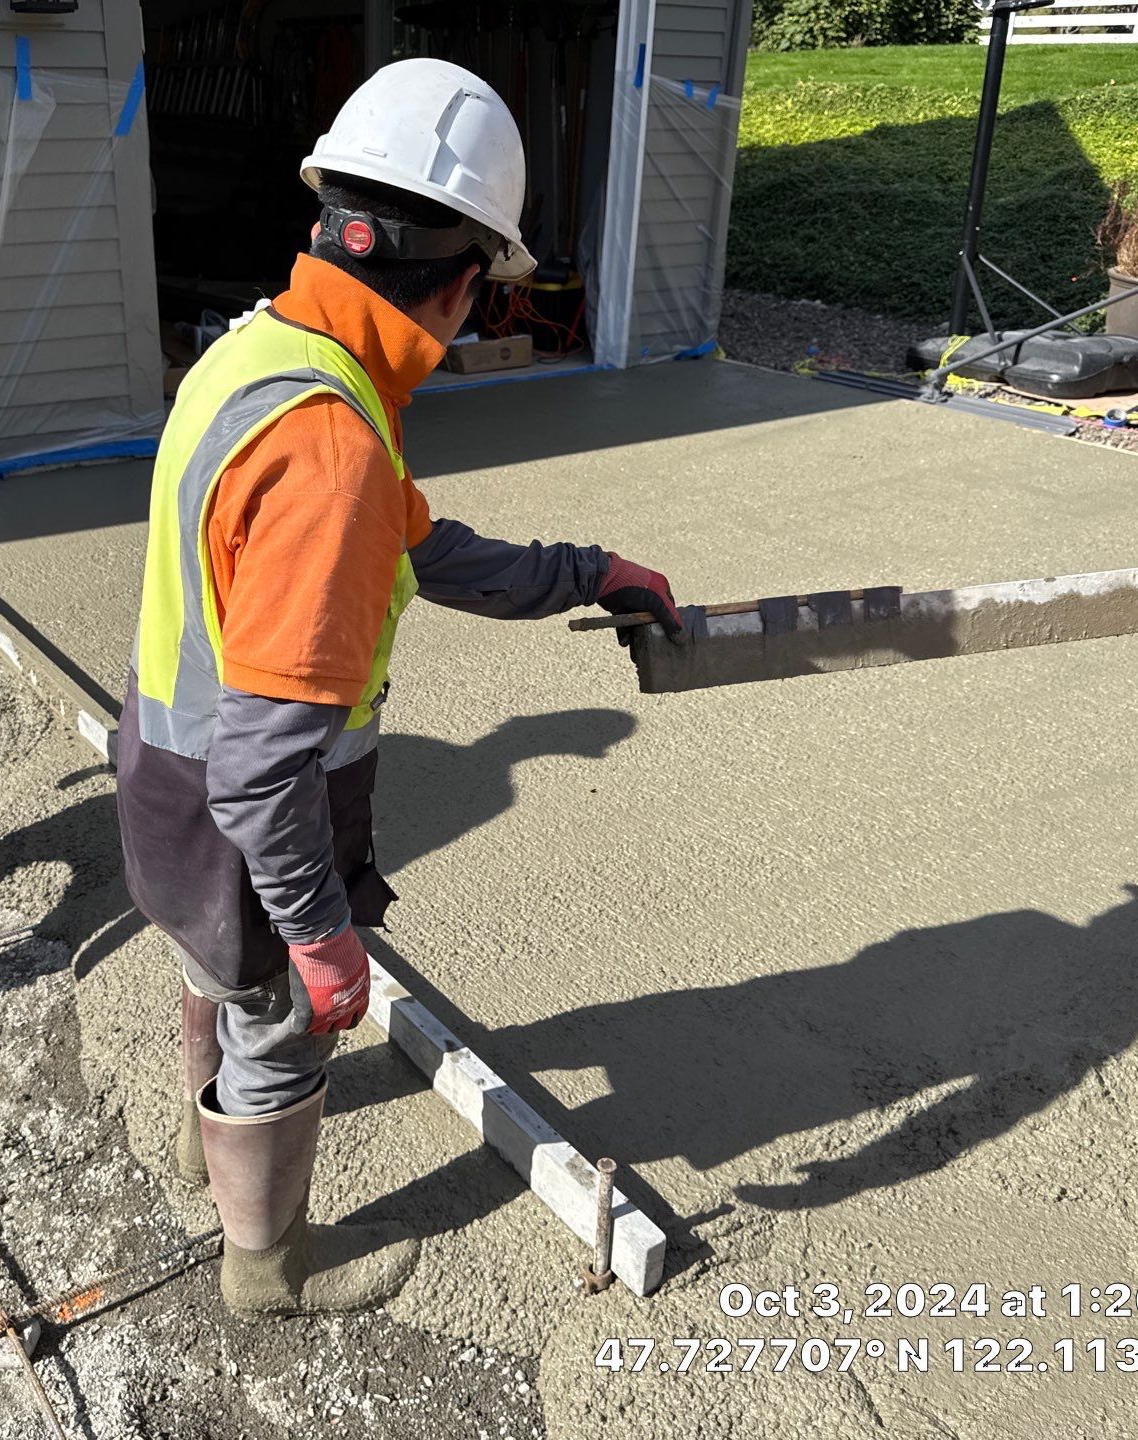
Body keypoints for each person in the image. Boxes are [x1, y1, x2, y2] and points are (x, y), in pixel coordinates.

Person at [116, 57, 686, 1317]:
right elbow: (267, 767)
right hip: (241, 821)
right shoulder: (329, 448)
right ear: (465, 275)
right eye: (488, 293)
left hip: (160, 784)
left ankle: (200, 1157)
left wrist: (591, 571)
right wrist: (321, 935)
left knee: (215, 986)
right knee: (277, 1017)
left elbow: (422, 548)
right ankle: (267, 1265)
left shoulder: (262, 355)